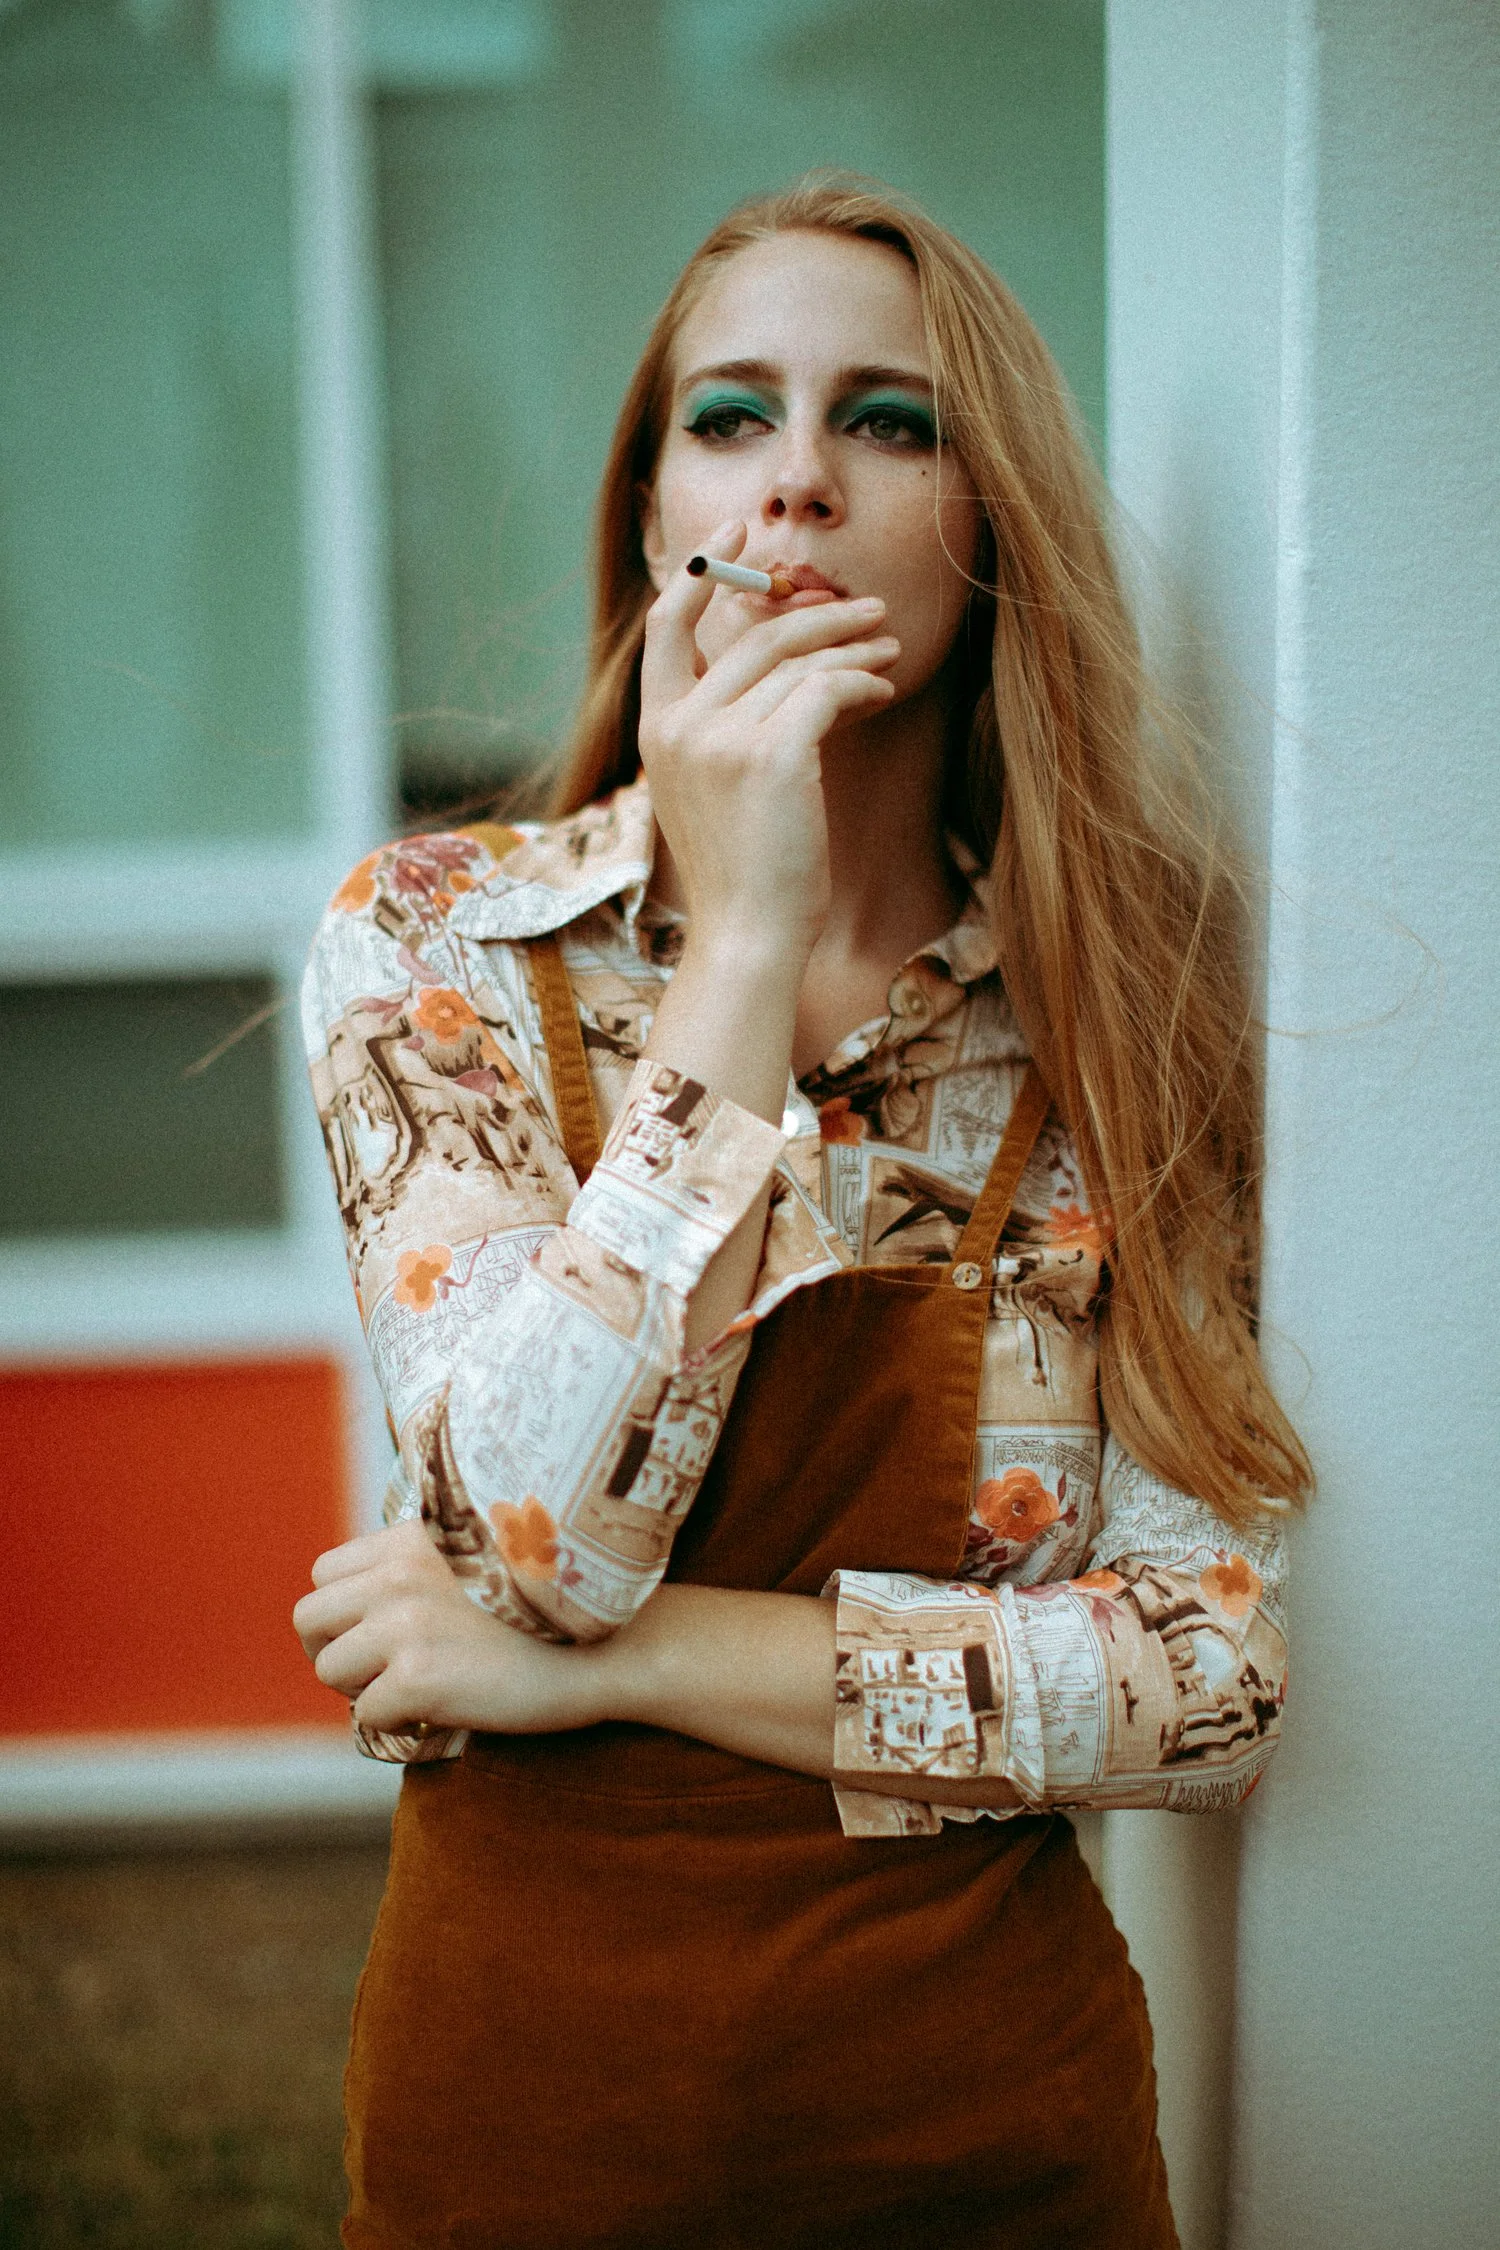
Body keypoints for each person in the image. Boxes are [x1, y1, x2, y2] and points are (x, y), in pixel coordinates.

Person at [294, 175, 1310, 2250]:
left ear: (991, 515)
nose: (802, 485)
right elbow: (534, 1530)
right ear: (656, 509)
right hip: (533, 2134)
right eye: (733, 415)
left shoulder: (1113, 1027)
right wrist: (743, 942)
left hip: (987, 2140)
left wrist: (614, 1668)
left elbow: (1199, 1676)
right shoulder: (442, 951)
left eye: (894, 423)